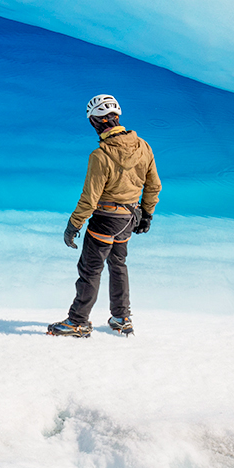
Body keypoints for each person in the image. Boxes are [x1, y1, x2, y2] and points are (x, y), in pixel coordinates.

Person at [48, 94, 162, 338]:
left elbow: (89, 198)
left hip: (105, 219)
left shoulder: (100, 156)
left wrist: (73, 225)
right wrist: (147, 215)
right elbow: (153, 186)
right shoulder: (143, 146)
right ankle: (121, 317)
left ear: (95, 122)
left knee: (90, 269)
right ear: (117, 118)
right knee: (118, 265)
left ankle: (78, 321)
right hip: (129, 218)